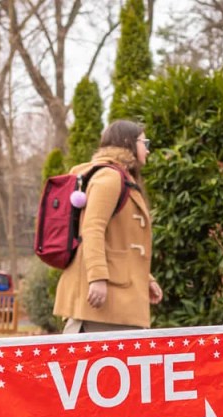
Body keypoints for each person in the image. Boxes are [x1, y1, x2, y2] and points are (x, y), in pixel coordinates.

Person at [54, 119, 163, 333]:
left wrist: (145, 279)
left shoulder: (121, 177)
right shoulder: (110, 177)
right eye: (144, 142)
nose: (148, 150)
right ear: (127, 142)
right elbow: (92, 228)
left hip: (118, 296)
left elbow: (121, 240)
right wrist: (97, 278)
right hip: (104, 299)